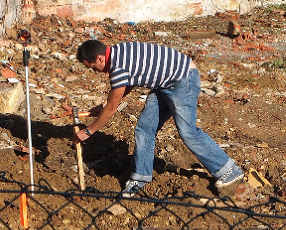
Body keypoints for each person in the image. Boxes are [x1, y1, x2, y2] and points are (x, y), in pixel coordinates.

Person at [74, 38, 244, 197]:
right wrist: (104, 105)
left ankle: (228, 169)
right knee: (144, 128)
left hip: (183, 79)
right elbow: (127, 84)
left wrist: (88, 131)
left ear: (99, 58)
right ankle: (140, 177)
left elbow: (112, 107)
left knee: (187, 131)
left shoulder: (118, 67)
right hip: (165, 83)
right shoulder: (120, 50)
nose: (95, 71)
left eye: (92, 67)